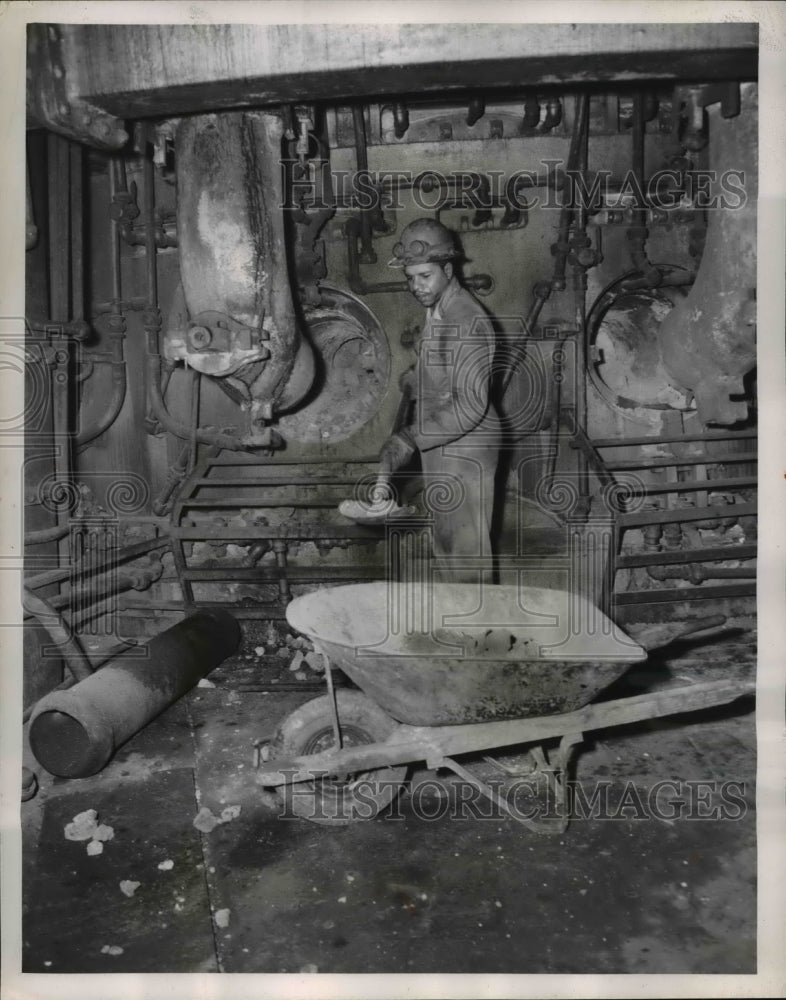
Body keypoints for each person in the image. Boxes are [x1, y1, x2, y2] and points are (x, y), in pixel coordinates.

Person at [381, 218, 501, 583]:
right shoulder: (439, 306)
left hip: (466, 448)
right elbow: (443, 366)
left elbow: (470, 405)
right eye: (411, 277)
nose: (416, 286)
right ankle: (460, 629)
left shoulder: (465, 320)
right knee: (447, 544)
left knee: (465, 556)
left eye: (425, 276)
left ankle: (479, 635)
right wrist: (417, 378)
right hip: (444, 441)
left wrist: (410, 438)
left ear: (448, 269)